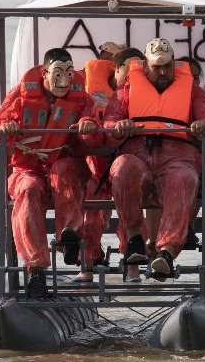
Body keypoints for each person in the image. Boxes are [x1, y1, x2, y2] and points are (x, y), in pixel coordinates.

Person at [104, 38, 205, 279]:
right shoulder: (126, 90)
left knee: (185, 177)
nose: (163, 71)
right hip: (138, 158)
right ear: (145, 66)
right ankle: (135, 239)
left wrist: (204, 126)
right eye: (157, 66)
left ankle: (166, 253)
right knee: (121, 167)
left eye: (167, 65)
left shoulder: (192, 91)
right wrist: (118, 127)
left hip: (177, 159)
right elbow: (109, 122)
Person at [0, 48, 99, 298]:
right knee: (28, 190)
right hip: (29, 167)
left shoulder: (82, 97)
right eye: (58, 73)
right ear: (45, 72)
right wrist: (7, 128)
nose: (64, 81)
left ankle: (69, 238)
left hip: (63, 164)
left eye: (69, 74)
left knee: (66, 171)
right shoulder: (21, 94)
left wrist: (88, 126)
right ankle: (35, 270)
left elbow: (92, 124)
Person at [75, 46, 146, 282]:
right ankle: (88, 262)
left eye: (140, 69)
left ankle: (131, 260)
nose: (134, 74)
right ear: (117, 69)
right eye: (130, 69)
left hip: (127, 169)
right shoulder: (90, 96)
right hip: (96, 168)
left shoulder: (143, 96)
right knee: (90, 208)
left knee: (130, 202)